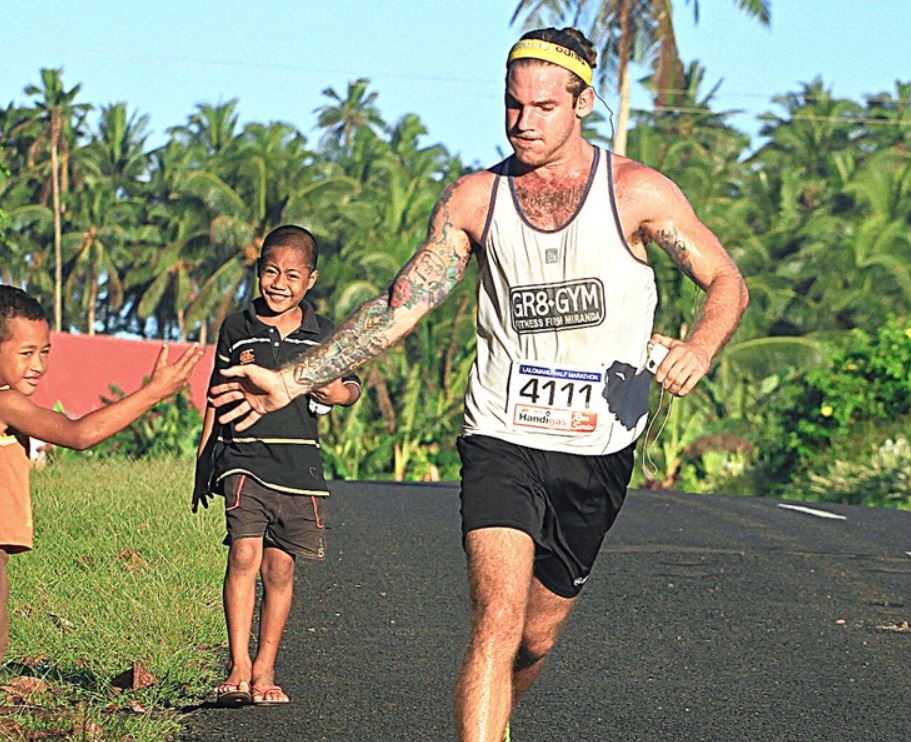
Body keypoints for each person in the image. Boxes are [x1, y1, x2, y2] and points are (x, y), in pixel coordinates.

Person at [210, 28, 749, 741]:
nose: (524, 121)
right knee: (496, 618)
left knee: (534, 639)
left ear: (584, 102)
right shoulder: (475, 199)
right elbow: (400, 304)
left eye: (544, 107)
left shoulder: (637, 194)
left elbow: (725, 279)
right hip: (502, 436)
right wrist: (292, 379)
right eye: (512, 104)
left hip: (599, 448)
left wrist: (702, 345)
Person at [0, 285, 202, 741]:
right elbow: (79, 434)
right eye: (26, 352)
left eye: (46, 351)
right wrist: (153, 393)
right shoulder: (1, 402)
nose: (38, 364)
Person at [192, 225, 361, 707]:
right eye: (270, 271)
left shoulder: (323, 333)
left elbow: (350, 388)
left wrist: (334, 392)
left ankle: (265, 668)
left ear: (311, 280)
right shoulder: (237, 326)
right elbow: (215, 397)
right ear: (258, 270)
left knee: (279, 568)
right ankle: (237, 667)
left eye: (292, 274)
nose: (279, 283)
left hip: (298, 467)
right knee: (243, 554)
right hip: (243, 458)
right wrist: (205, 459)